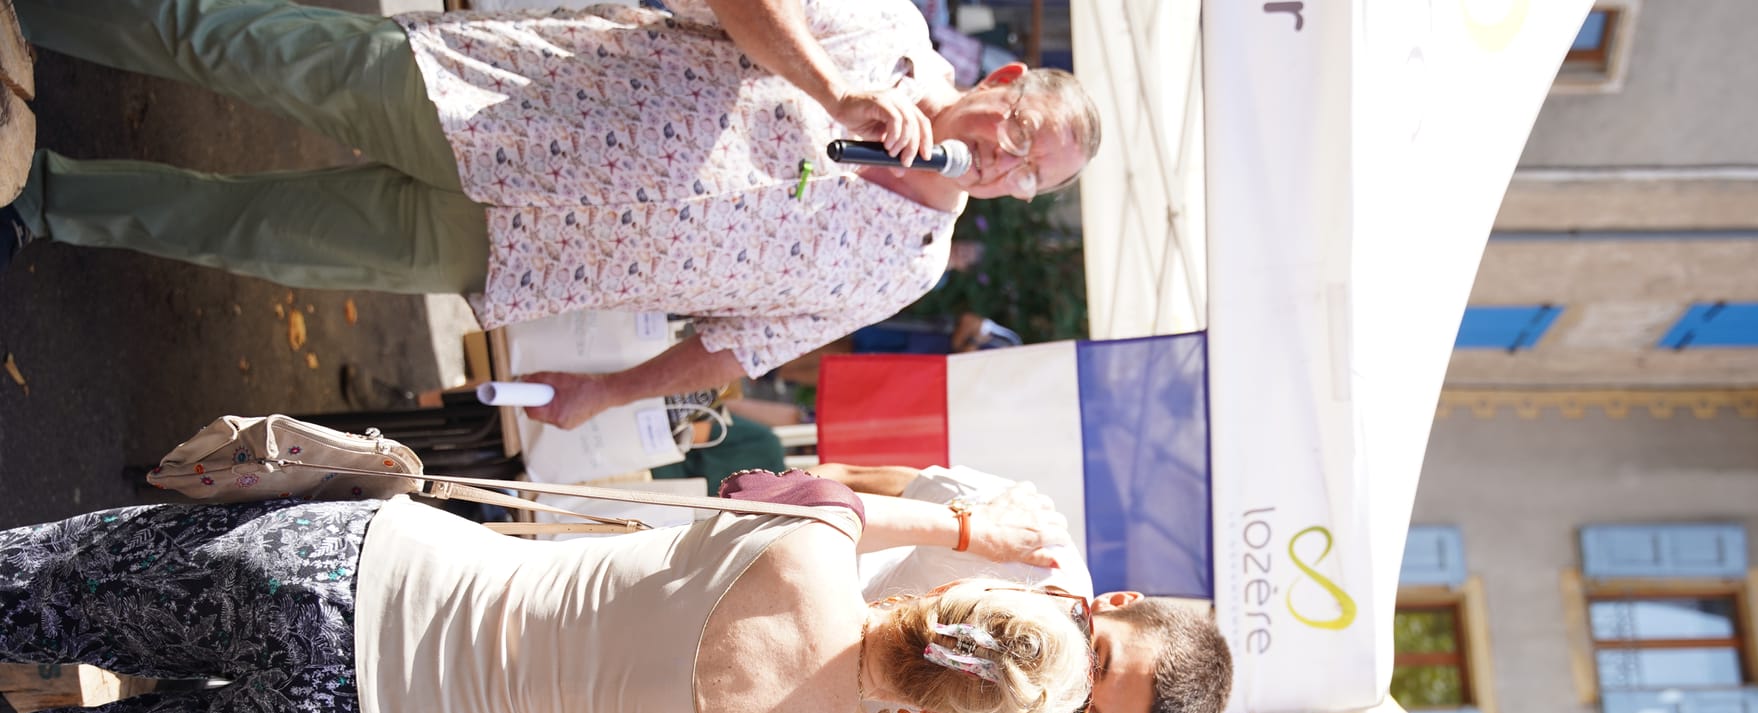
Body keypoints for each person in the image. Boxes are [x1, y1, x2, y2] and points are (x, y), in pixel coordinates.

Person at [4, 0, 1102, 430]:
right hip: (504, 100)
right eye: (1015, 138)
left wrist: (613, 389)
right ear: (1002, 82)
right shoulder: (881, 30)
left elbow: (737, 342)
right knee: (237, 51)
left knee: (252, 233)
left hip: (525, 253)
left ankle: (42, 197)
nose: (1000, 167)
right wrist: (834, 95)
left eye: (1022, 181)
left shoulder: (911, 266)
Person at [0, 460, 1096, 713]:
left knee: (40, 586)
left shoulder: (811, 539)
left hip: (364, 578)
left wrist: (973, 532)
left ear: (950, 593)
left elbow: (828, 483)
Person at [825, 462, 1235, 713]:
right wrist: (967, 528)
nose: (1066, 681)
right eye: (1097, 656)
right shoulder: (1021, 531)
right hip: (816, 563)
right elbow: (844, 481)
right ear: (1114, 602)